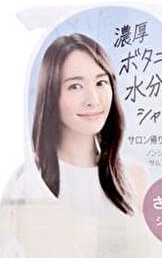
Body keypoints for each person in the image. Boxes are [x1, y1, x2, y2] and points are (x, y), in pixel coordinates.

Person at [32, 33, 147, 218]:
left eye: (101, 82)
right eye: (75, 86)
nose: (93, 100)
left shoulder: (134, 177)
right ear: (51, 94)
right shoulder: (31, 179)